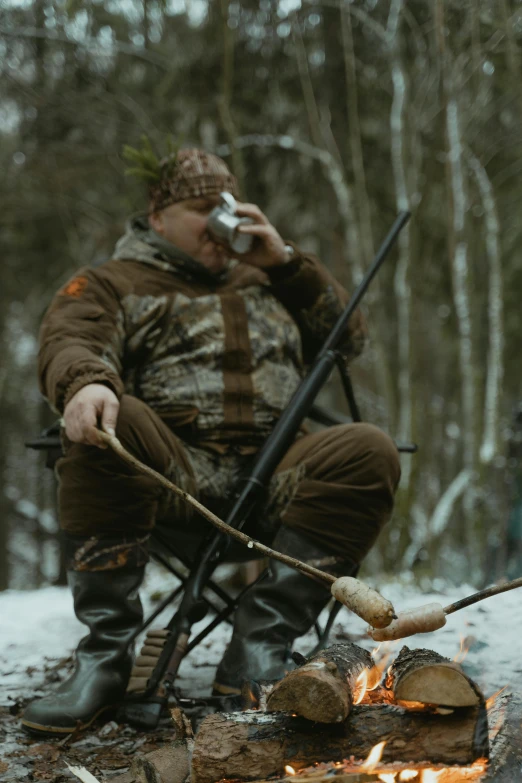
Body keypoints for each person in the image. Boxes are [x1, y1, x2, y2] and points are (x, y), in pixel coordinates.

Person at [21, 147, 401, 735]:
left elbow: (347, 337)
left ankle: (258, 650)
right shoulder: (110, 282)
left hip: (278, 476)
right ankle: (104, 659)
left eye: (226, 206)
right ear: (157, 219)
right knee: (108, 421)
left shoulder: (274, 282)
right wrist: (86, 384)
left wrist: (286, 262)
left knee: (368, 446)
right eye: (202, 208)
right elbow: (72, 338)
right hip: (172, 475)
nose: (220, 222)